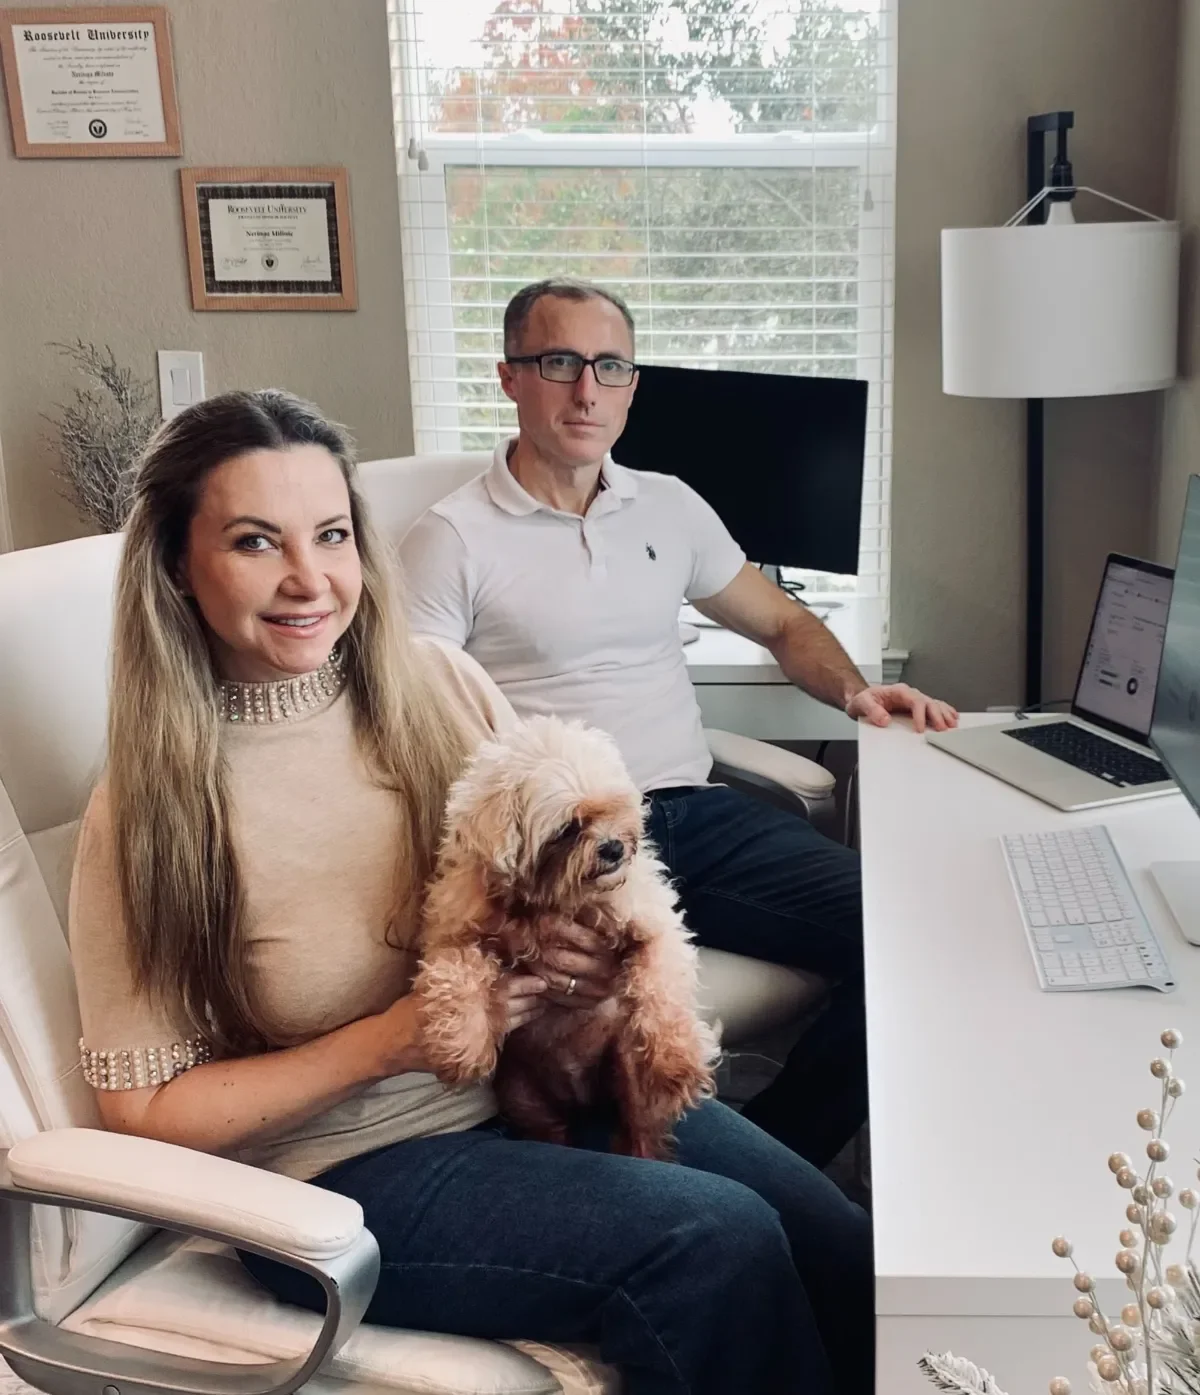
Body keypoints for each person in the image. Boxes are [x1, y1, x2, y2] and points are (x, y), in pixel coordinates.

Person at [69, 388, 875, 1395]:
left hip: (538, 1077)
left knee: (840, 1245)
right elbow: (140, 1111)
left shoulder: (440, 686)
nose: (309, 579)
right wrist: (394, 1040)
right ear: (180, 570)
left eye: (330, 534)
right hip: (342, 1178)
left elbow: (560, 865)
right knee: (719, 1242)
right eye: (253, 542)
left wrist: (587, 956)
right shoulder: (151, 810)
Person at [399, 277, 960, 1170]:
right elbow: (413, 720)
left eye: (610, 366)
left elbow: (782, 621)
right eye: (560, 362)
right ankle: (656, 1173)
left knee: (917, 934)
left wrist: (857, 694)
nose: (587, 389)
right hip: (558, 849)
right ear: (510, 376)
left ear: (631, 385)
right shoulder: (451, 537)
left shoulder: (668, 505)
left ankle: (779, 1152)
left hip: (691, 816)